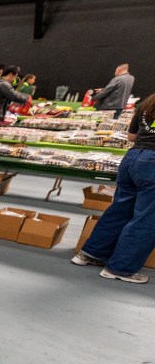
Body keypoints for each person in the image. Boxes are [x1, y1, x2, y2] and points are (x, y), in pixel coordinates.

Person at [71, 92, 155, 284]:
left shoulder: (146, 104)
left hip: (131, 159)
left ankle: (91, 253)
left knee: (119, 210)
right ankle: (121, 269)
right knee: (146, 219)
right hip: (152, 165)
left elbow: (132, 136)